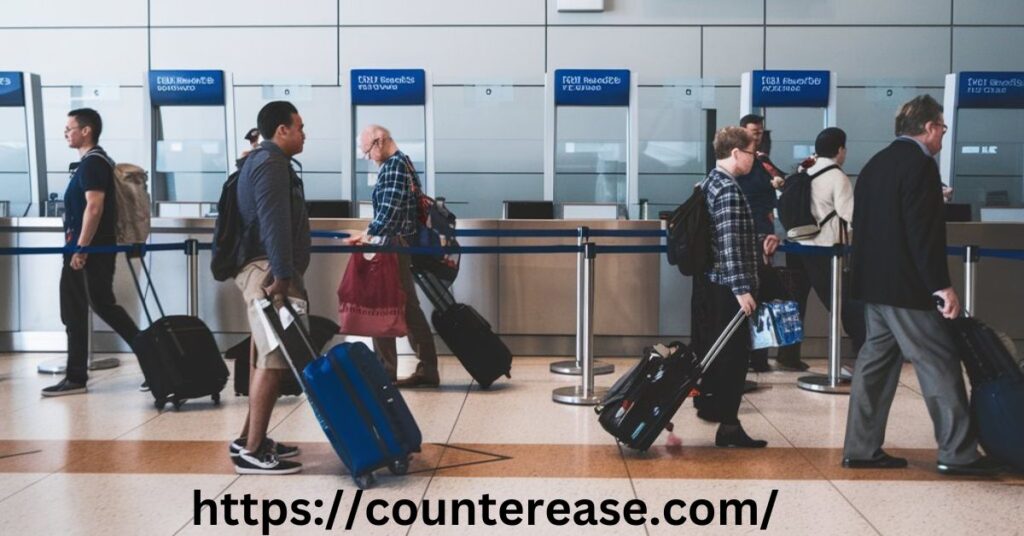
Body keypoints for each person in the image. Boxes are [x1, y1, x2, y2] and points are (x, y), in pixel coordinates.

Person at [842, 95, 1001, 475]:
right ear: (929, 128)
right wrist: (942, 286)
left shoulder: (875, 164)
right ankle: (958, 453)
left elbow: (861, 225)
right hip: (906, 288)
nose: (942, 135)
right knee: (940, 361)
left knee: (874, 366)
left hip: (873, 286)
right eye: (942, 128)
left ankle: (860, 448)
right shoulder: (921, 166)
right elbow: (922, 234)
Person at [231, 101, 309, 475]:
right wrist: (281, 276)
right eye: (299, 127)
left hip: (262, 267)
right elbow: (273, 223)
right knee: (275, 358)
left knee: (262, 355)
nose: (303, 134)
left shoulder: (258, 161)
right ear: (282, 130)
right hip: (269, 272)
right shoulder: (272, 164)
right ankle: (253, 450)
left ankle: (248, 437)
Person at [42, 108, 141, 397]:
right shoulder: (93, 162)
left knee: (79, 311)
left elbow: (94, 207)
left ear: (86, 131)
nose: (66, 132)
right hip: (91, 249)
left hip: (88, 251)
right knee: (101, 306)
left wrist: (81, 248)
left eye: (70, 128)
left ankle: (75, 378)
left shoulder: (93, 164)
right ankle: (152, 359)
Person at [690, 126, 771, 448]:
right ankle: (729, 425)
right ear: (736, 153)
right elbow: (729, 243)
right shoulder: (728, 189)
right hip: (727, 288)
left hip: (711, 284)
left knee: (719, 355)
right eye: (752, 152)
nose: (756, 158)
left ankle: (722, 417)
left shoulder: (709, 182)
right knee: (734, 359)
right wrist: (742, 290)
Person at [346, 125, 439, 389]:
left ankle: (389, 371)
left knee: (390, 306)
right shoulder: (402, 164)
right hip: (398, 245)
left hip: (393, 247)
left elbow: (388, 212)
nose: (368, 158)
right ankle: (417, 368)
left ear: (380, 141)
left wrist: (366, 234)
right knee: (403, 307)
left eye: (367, 151)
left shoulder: (394, 166)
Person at [776, 128, 865, 372]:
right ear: (840, 150)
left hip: (796, 247)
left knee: (794, 303)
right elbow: (851, 214)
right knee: (844, 301)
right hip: (824, 249)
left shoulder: (804, 170)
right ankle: (865, 350)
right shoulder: (837, 176)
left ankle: (788, 354)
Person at [734, 115, 782, 372]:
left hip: (764, 235)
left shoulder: (763, 162)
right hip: (749, 235)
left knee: (761, 296)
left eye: (761, 131)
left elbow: (777, 189)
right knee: (749, 296)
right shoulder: (741, 165)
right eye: (753, 131)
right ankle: (749, 355)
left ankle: (759, 356)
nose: (757, 136)